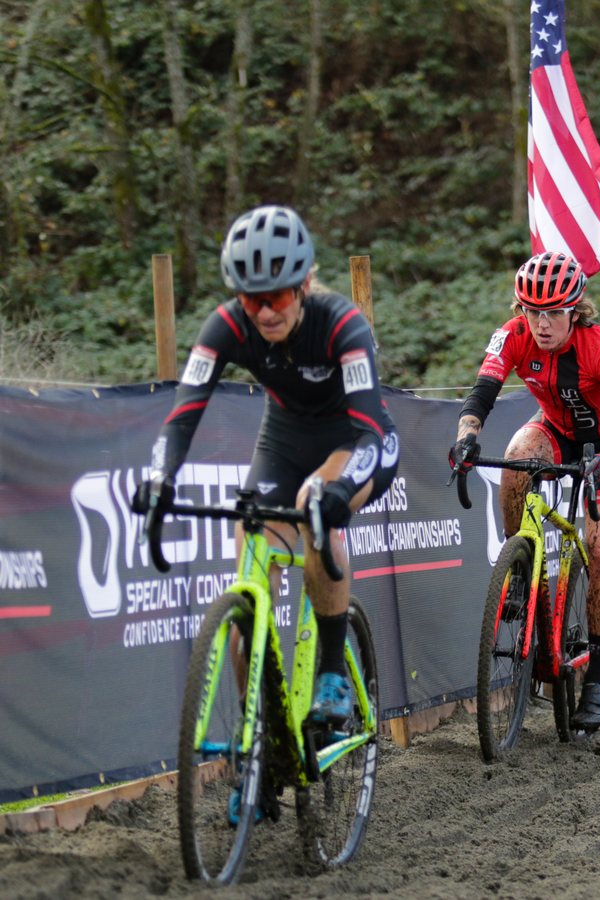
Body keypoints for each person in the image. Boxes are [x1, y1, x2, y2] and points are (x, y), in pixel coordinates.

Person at [133, 205, 399, 732]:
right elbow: (183, 416)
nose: (263, 313)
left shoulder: (342, 324)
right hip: (283, 442)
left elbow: (370, 429)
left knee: (315, 507)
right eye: (251, 299)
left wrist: (340, 486)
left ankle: (330, 673)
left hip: (355, 442)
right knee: (250, 559)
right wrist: (160, 476)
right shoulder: (227, 324)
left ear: (302, 286)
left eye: (275, 297)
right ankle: (262, 743)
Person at [449, 250, 600, 732]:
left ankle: (597, 681)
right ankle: (522, 573)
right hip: (556, 429)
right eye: (531, 312)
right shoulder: (512, 336)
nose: (541, 323)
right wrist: (466, 435)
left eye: (552, 313)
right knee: (519, 454)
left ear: (574, 311)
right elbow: (481, 395)